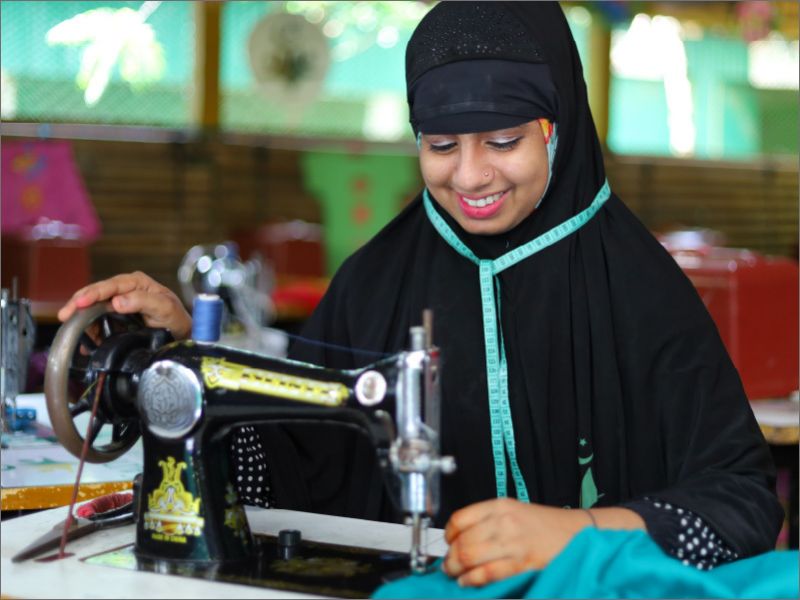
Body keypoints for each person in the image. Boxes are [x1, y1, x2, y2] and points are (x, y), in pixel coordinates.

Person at [58, 1, 782, 588]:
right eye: (440, 145)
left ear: (558, 131)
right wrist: (186, 359)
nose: (469, 177)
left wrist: (579, 533)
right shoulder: (376, 279)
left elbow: (745, 506)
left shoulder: (640, 288)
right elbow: (285, 469)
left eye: (503, 142)